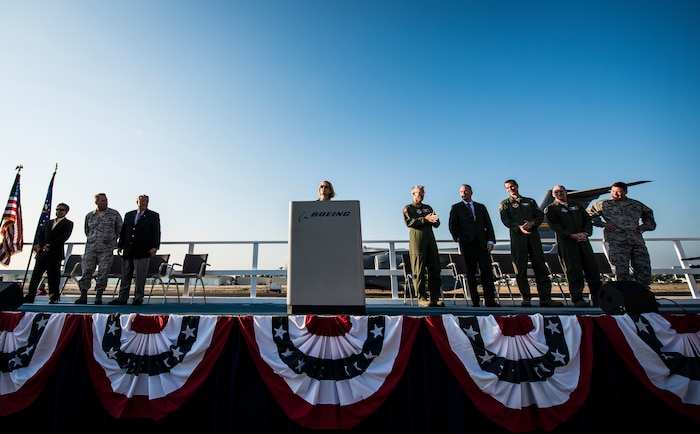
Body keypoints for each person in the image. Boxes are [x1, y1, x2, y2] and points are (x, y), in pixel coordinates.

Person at [499, 179, 563, 307]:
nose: (510, 189)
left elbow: (540, 216)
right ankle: (526, 298)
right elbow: (506, 220)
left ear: (517, 186)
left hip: (534, 238)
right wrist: (519, 227)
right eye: (507, 188)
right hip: (518, 238)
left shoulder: (530, 202)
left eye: (512, 186)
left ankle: (545, 298)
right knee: (520, 269)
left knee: (540, 267)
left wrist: (532, 223)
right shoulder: (505, 204)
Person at [588, 181, 656, 290]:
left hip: (636, 241)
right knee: (621, 270)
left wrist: (644, 227)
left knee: (643, 268)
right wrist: (603, 224)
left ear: (625, 191)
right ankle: (624, 295)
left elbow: (649, 217)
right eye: (614, 192)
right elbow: (589, 215)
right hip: (617, 242)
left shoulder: (636, 205)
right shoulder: (603, 204)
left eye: (619, 192)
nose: (616, 194)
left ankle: (644, 293)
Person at [544, 185, 602, 307]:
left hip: (583, 241)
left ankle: (598, 299)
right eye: (556, 192)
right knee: (573, 271)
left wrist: (586, 233)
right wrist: (571, 235)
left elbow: (587, 220)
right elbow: (555, 226)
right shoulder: (551, 209)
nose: (559, 193)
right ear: (553, 195)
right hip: (567, 243)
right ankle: (578, 299)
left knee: (592, 270)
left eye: (561, 191)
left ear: (566, 192)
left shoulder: (577, 206)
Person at [448, 184, 500, 307]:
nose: (463, 193)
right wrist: (459, 238)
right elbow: (452, 225)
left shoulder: (480, 207)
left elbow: (488, 224)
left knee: (487, 272)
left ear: (471, 192)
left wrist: (490, 241)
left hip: (482, 244)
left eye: (465, 191)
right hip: (467, 244)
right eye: (461, 191)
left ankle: (490, 300)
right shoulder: (456, 208)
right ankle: (475, 301)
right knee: (470, 273)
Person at [110, 194, 161, 306]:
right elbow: (124, 231)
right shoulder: (129, 215)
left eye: (146, 201)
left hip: (143, 250)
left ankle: (138, 297)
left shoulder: (153, 215)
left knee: (140, 275)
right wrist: (121, 245)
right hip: (129, 249)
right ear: (137, 202)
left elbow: (156, 232)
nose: (144, 203)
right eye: (142, 201)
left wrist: (155, 247)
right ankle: (122, 297)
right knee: (125, 275)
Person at [75, 193, 123, 305]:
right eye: (102, 200)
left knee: (103, 272)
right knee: (86, 270)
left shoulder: (114, 214)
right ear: (96, 202)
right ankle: (83, 295)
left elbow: (119, 229)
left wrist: (111, 240)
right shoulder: (89, 216)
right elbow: (87, 231)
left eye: (106, 200)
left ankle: (99, 296)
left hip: (106, 249)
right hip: (91, 248)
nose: (105, 202)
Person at [22, 203, 74, 304]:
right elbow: (40, 235)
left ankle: (53, 297)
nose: (59, 211)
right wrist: (43, 246)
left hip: (55, 253)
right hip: (43, 253)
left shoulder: (68, 223)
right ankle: (30, 295)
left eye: (61, 210)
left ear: (66, 212)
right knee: (36, 275)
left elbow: (64, 237)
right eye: (57, 209)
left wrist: (50, 246)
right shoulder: (48, 223)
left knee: (53, 276)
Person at [403, 185, 444, 307]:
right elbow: (409, 222)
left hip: (431, 241)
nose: (421, 195)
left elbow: (436, 223)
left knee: (435, 269)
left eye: (423, 193)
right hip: (418, 243)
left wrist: (434, 219)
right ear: (413, 194)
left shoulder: (428, 208)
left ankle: (435, 298)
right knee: (419, 271)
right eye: (419, 193)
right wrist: (424, 219)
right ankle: (422, 298)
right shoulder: (408, 208)